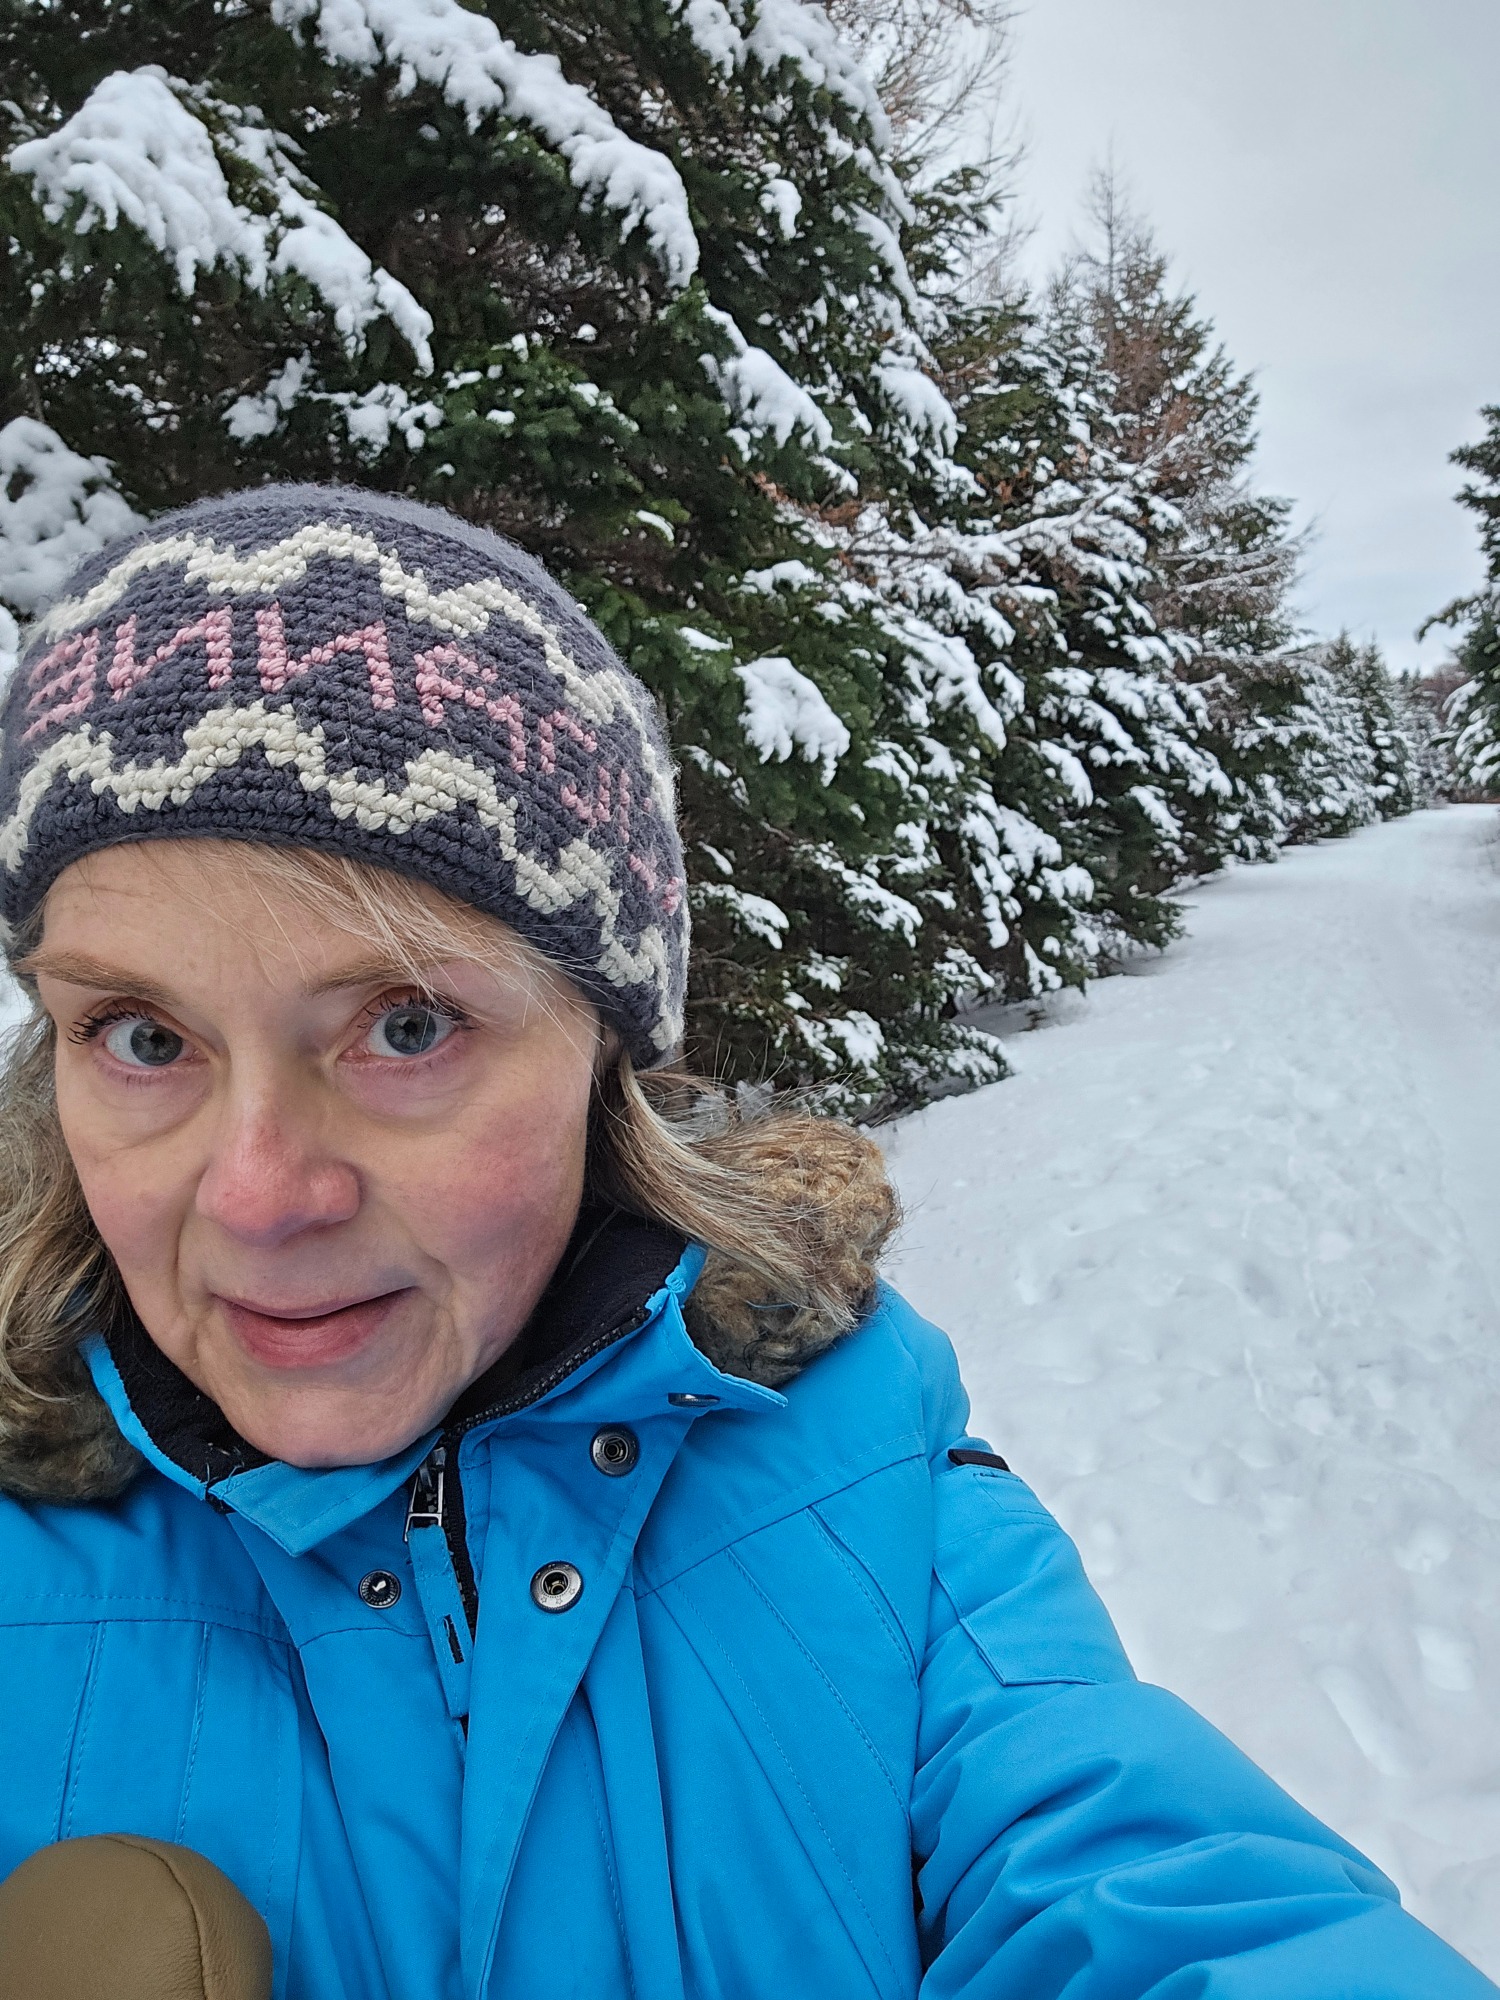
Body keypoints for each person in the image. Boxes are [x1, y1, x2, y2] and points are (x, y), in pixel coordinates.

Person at [0, 484, 1490, 2000]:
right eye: (141, 1035)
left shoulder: (871, 1493)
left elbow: (1154, 1899)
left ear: (604, 1051)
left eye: (407, 1026)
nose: (258, 1196)